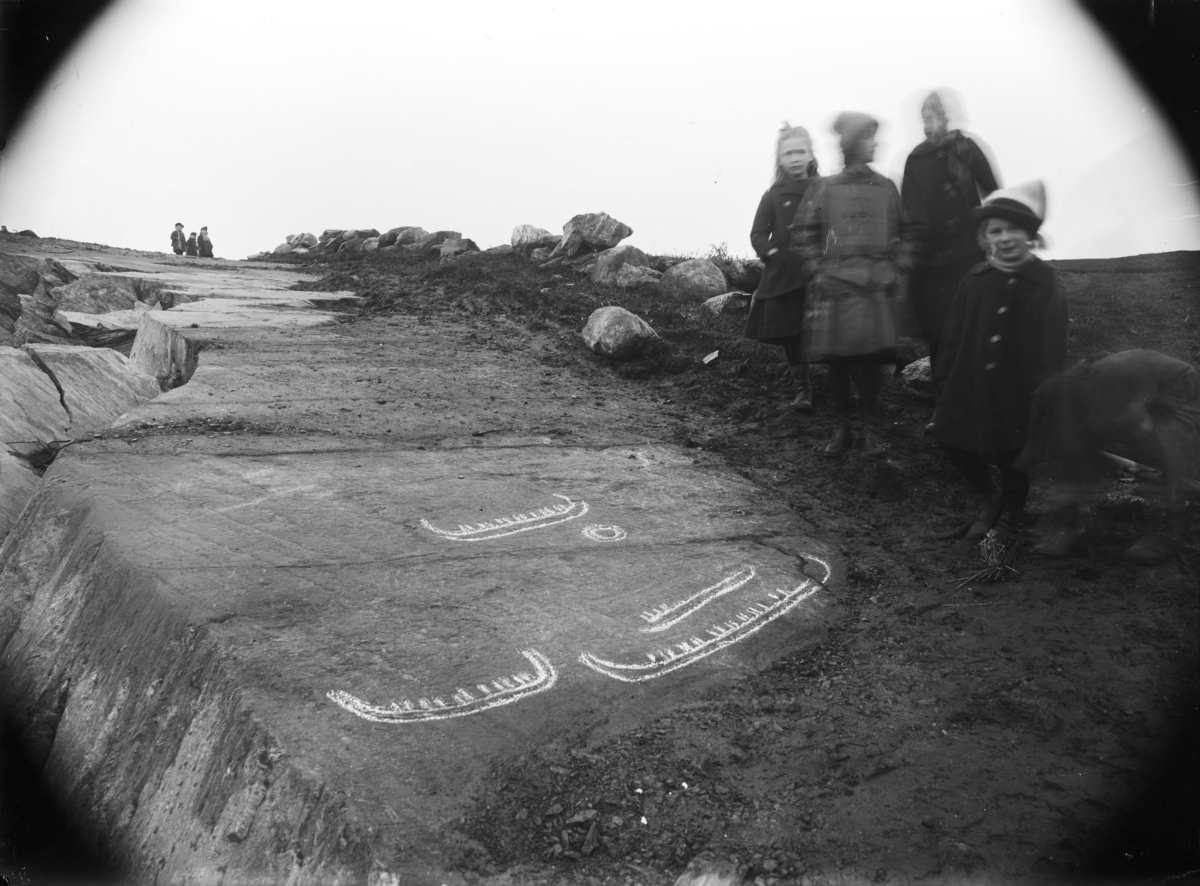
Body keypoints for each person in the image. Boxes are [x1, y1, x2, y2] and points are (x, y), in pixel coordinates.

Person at [933, 181, 1068, 540]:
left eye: (1014, 229)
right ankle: (988, 499)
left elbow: (1053, 349)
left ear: (1030, 235)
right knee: (951, 439)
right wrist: (943, 381)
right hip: (969, 384)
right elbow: (953, 336)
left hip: (1017, 389)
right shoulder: (976, 279)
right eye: (996, 230)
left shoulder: (1045, 283)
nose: (1005, 238)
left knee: (1012, 455)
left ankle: (1012, 514)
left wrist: (1043, 396)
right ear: (985, 237)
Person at [791, 111, 921, 457]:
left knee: (870, 366)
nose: (874, 143)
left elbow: (907, 232)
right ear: (851, 144)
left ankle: (873, 432)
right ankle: (842, 429)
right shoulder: (827, 189)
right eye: (868, 137)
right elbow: (803, 233)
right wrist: (818, 270)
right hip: (837, 292)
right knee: (838, 365)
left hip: (873, 293)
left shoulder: (885, 188)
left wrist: (895, 267)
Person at [1014, 349, 1200, 564]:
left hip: (1183, 403)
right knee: (1079, 452)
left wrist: (1157, 410)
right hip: (1122, 412)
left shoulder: (1127, 367)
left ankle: (1169, 531)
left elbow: (1187, 373)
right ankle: (1071, 528)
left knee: (1166, 441)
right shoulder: (1071, 395)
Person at [902, 90, 999, 389]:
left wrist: (994, 232)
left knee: (969, 324)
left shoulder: (968, 149)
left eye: (933, 118)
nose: (928, 126)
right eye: (924, 119)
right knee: (937, 330)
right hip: (930, 260)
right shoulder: (916, 159)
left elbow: (994, 193)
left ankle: (974, 397)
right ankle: (942, 403)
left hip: (967, 253)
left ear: (947, 117)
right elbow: (908, 206)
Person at [745, 124, 820, 412]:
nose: (795, 158)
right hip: (785, 275)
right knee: (791, 333)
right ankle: (803, 387)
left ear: (811, 154)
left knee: (822, 328)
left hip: (816, 274)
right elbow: (758, 234)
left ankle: (839, 382)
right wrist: (772, 252)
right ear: (780, 159)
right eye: (788, 153)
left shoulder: (823, 189)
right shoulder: (774, 195)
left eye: (801, 151)